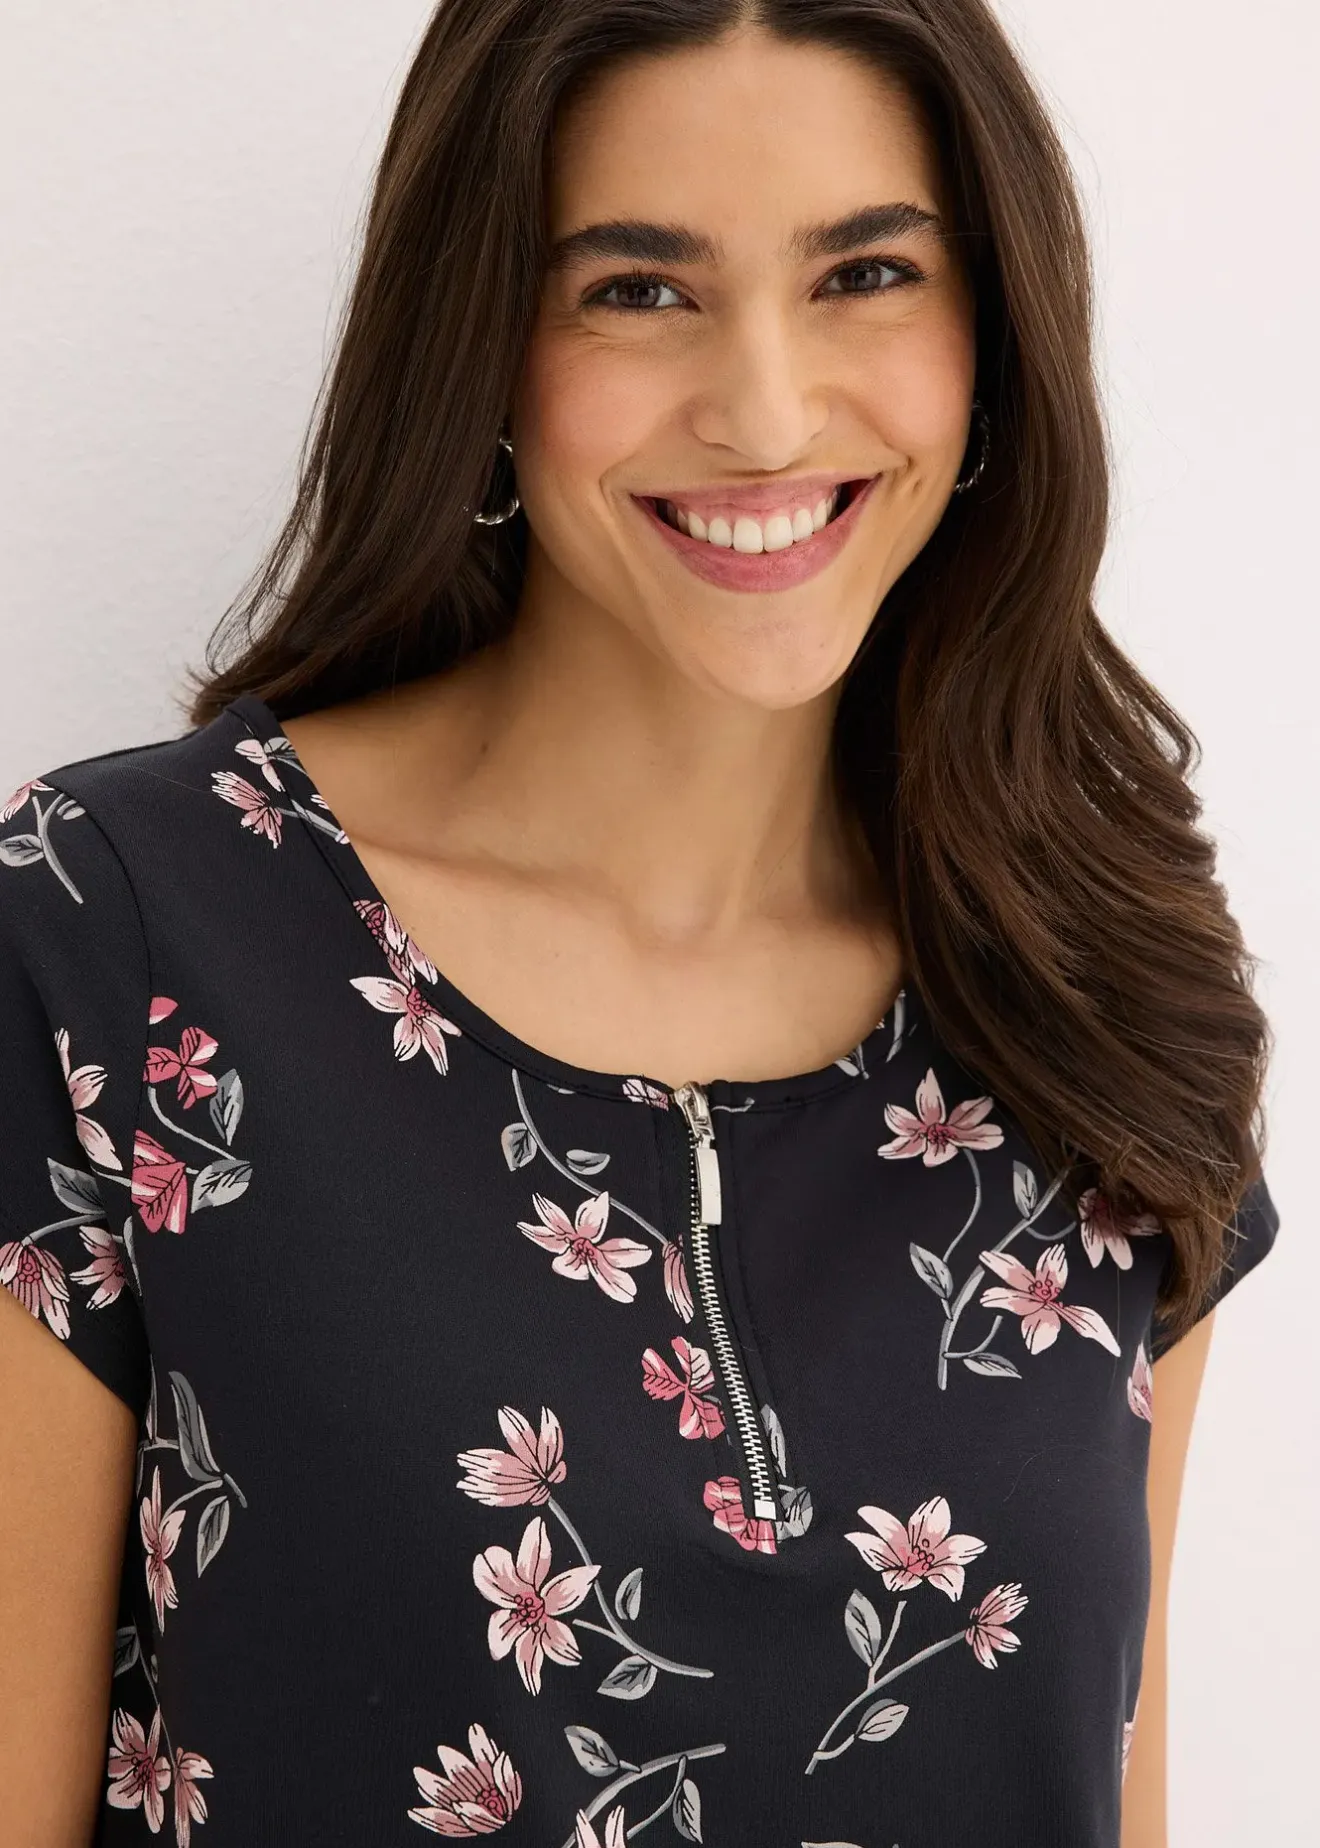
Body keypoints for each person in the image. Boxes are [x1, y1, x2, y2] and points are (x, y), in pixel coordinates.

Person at [0, 3, 1281, 1845]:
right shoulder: (115, 939)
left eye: (865, 274)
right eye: (639, 291)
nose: (765, 410)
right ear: (482, 345)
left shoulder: (1098, 988)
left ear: (992, 333)